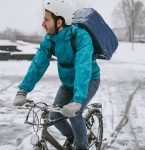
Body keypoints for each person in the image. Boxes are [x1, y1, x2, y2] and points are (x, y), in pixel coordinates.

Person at [14, 0, 100, 149]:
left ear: (59, 22)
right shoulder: (50, 40)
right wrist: (23, 90)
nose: (42, 24)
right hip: (68, 83)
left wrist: (77, 100)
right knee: (54, 115)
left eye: (46, 20)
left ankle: (82, 146)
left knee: (75, 114)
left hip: (89, 80)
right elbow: (38, 65)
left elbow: (83, 68)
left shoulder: (81, 37)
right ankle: (74, 138)